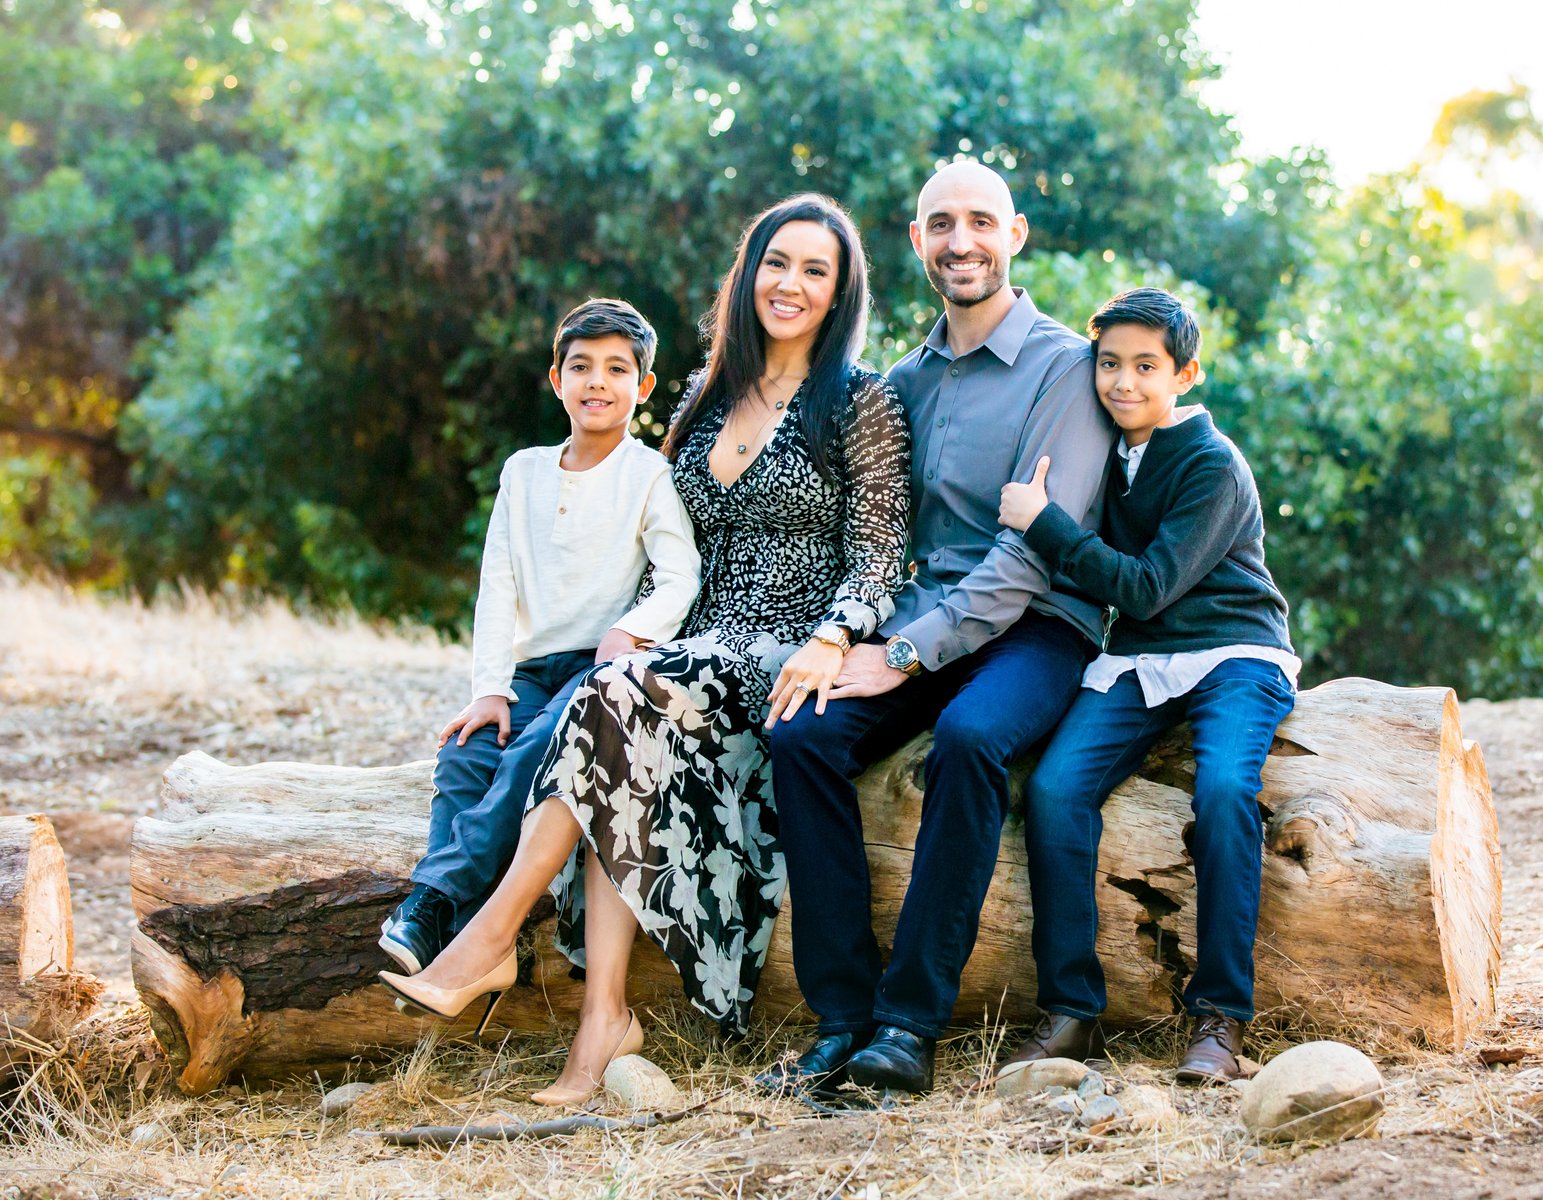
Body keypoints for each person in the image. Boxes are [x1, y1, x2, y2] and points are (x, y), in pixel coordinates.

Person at [381, 193, 911, 1108]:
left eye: (815, 270)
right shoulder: (706, 397)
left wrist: (832, 638)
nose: (790, 283)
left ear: (840, 292)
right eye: (776, 262)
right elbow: (657, 543)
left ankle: (487, 936)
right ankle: (603, 1023)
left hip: (781, 656)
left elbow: (880, 555)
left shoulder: (860, 401)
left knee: (614, 696)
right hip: (689, 647)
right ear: (749, 274)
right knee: (613, 726)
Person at [761, 162, 1113, 1097]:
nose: (963, 242)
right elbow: (880, 536)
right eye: (942, 224)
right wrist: (851, 640)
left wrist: (907, 655)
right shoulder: (902, 383)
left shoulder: (1066, 368)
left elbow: (1029, 554)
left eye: (982, 222)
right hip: (920, 622)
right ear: (917, 241)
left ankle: (908, 1026)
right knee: (799, 734)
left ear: (1016, 234)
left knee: (967, 738)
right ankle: (841, 1018)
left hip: (1038, 627)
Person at [994, 287, 1300, 1083]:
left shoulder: (1212, 463)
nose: (1123, 382)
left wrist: (1043, 521)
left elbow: (1144, 587)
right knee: (1055, 790)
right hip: (1138, 660)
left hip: (1235, 652)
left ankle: (1220, 1019)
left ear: (1184, 375)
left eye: (1145, 366)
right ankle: (1072, 1013)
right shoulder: (1104, 451)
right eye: (1108, 364)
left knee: (1226, 791)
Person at [380, 298, 701, 976]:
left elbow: (681, 575)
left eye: (617, 369)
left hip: (594, 672)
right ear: (556, 379)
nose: (596, 382)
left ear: (643, 387)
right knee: (466, 756)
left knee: (533, 753)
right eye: (580, 367)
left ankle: (433, 904)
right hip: (530, 672)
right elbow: (498, 584)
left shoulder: (647, 474)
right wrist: (490, 689)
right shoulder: (523, 471)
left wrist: (630, 630)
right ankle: (456, 935)